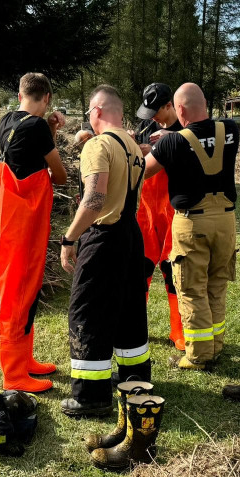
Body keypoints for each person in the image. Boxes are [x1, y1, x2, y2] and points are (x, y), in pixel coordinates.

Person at [59, 85, 150, 417]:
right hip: (130, 234)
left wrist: (69, 238)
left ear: (96, 111)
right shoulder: (132, 145)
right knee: (129, 309)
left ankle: (91, 396)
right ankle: (135, 380)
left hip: (104, 237)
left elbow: (95, 200)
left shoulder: (98, 146)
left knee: (88, 310)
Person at [144, 83, 239, 370]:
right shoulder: (231, 129)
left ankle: (197, 355)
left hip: (192, 221)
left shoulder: (171, 143)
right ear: (206, 103)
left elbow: (142, 171)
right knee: (217, 285)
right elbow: (208, 136)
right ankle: (216, 345)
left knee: (192, 289)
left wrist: (155, 147)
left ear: (179, 110)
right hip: (226, 220)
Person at [0, 72, 67, 392]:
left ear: (20, 93)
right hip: (24, 226)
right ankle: (13, 374)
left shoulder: (7, 121)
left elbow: (28, 157)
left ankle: (24, 361)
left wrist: (49, 130)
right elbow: (60, 175)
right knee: (18, 294)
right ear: (47, 97)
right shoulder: (37, 127)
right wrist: (51, 132)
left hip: (12, 224)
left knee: (25, 291)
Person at [134, 83, 186, 352]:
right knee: (140, 270)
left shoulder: (187, 131)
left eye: (157, 111)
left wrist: (172, 142)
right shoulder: (146, 126)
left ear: (171, 106)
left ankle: (178, 330)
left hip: (173, 209)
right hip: (146, 210)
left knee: (172, 270)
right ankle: (136, 328)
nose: (152, 117)